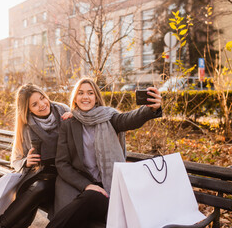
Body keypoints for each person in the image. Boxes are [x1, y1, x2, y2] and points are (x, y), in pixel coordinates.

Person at [47, 78, 162, 228]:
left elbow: (129, 119)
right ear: (75, 98)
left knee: (90, 199)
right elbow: (62, 163)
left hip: (108, 191)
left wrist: (150, 109)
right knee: (87, 199)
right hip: (80, 187)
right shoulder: (69, 124)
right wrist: (87, 185)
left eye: (90, 93)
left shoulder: (109, 118)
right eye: (80, 93)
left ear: (96, 98)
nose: (85, 97)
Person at [0, 83, 71, 228]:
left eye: (42, 98)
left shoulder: (63, 111)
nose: (42, 104)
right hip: (39, 173)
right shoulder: (26, 125)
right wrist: (26, 161)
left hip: (64, 172)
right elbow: (15, 160)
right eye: (34, 104)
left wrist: (76, 118)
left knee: (39, 188)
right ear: (28, 109)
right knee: (37, 188)